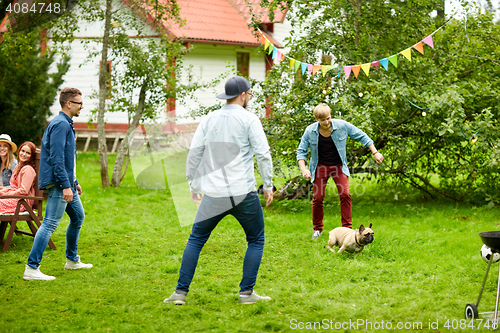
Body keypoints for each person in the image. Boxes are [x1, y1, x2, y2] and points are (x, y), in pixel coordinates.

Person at [164, 76, 274, 305]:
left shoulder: (209, 119)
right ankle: (246, 294)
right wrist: (269, 185)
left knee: (196, 240)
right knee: (256, 239)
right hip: (243, 193)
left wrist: (193, 184)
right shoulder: (250, 119)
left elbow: (194, 153)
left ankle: (180, 293)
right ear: (243, 95)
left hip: (213, 194)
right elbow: (263, 154)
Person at [23, 88, 92, 281]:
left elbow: (68, 160)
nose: (82, 106)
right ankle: (31, 267)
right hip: (59, 184)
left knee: (78, 217)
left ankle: (72, 260)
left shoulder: (65, 123)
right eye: (79, 103)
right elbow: (57, 158)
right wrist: (65, 186)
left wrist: (74, 182)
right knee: (50, 223)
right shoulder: (61, 124)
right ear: (68, 104)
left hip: (67, 182)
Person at [296, 103, 383, 239]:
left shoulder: (342, 126)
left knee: (345, 194)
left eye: (328, 118)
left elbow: (362, 136)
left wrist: (375, 152)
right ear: (316, 119)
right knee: (317, 198)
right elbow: (301, 151)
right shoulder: (310, 131)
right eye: (323, 120)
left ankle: (346, 229)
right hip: (320, 167)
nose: (326, 122)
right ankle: (317, 229)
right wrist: (304, 169)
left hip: (338, 166)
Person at [0, 142, 37, 212]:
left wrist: (7, 194)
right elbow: (12, 187)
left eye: (28, 153)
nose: (24, 154)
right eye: (22, 151)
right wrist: (2, 192)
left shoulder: (28, 169)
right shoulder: (18, 167)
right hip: (13, 198)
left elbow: (24, 191)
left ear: (32, 156)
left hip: (22, 202)